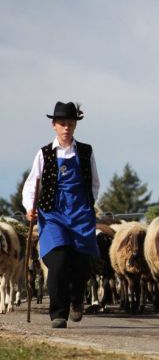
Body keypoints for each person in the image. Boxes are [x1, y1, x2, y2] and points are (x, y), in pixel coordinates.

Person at [22, 101, 100, 329]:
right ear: (54, 125)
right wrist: (30, 207)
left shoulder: (86, 152)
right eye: (62, 123)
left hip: (80, 214)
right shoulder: (44, 153)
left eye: (71, 124)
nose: (67, 128)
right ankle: (58, 313)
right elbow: (31, 184)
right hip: (53, 214)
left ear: (75, 125)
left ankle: (77, 298)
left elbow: (95, 183)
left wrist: (88, 203)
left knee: (83, 264)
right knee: (58, 261)